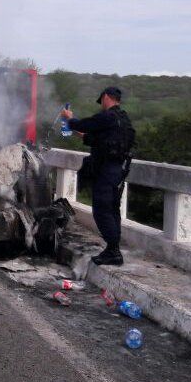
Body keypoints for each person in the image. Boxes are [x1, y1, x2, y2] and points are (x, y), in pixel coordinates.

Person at [61, 86, 135, 266]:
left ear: (107, 97)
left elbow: (85, 124)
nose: (101, 104)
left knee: (102, 210)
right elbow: (92, 137)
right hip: (117, 170)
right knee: (112, 209)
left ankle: (113, 251)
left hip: (107, 171)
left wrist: (70, 118)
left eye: (102, 100)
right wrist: (77, 129)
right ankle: (113, 248)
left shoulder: (108, 116)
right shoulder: (122, 120)